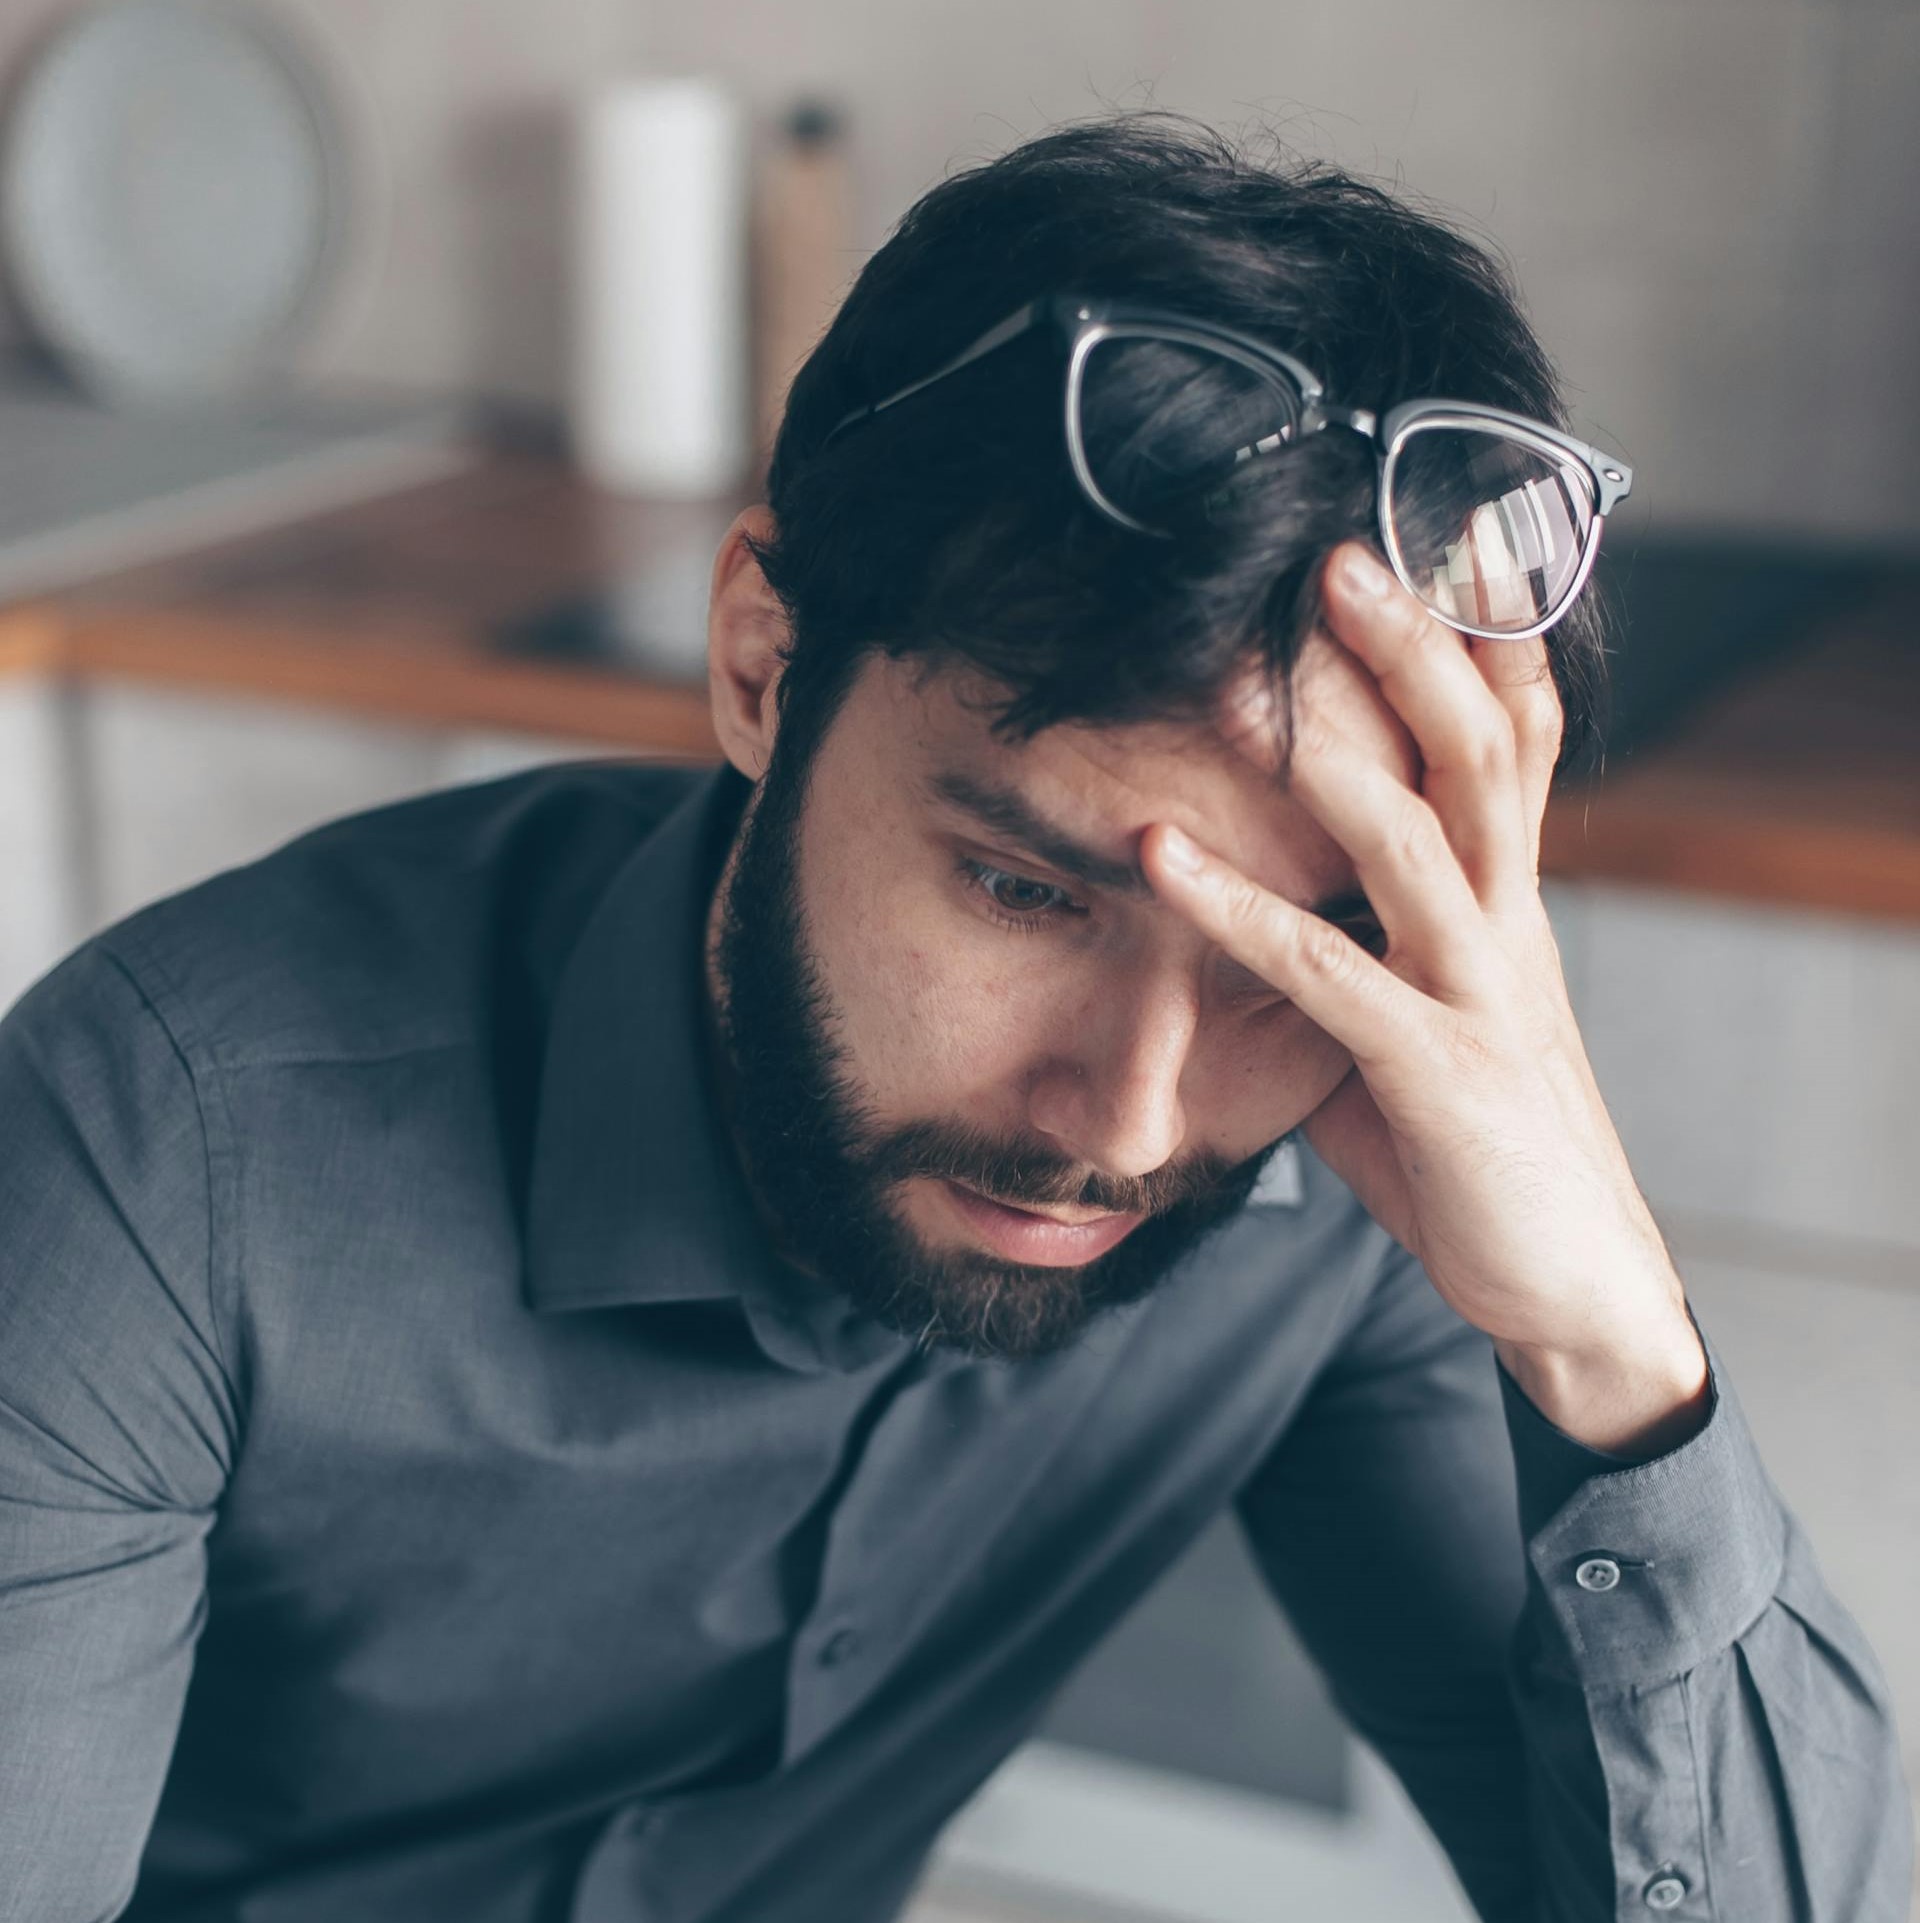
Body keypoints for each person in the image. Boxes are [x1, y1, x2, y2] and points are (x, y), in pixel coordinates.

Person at [0, 112, 1908, 1923]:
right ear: (762, 660)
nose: (1135, 1123)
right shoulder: (164, 1167)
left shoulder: (1340, 1180)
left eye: (1288, 957)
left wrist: (1612, 1343)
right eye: (1022, 890)